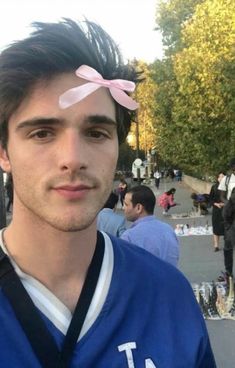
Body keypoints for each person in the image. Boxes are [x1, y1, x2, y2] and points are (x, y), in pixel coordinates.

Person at [0, 18, 216, 367]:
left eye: (96, 133)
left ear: (117, 145)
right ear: (4, 152)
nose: (72, 159)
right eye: (42, 133)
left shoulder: (168, 295)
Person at [121, 185, 179, 267]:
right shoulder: (168, 229)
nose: (123, 208)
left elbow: (125, 269)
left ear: (138, 208)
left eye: (126, 204)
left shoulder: (129, 237)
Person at [218, 158, 235, 281]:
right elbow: (222, 196)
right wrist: (229, 203)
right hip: (231, 215)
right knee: (228, 245)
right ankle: (228, 273)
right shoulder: (227, 179)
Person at [209, 172, 226, 251]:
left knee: (227, 227)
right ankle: (216, 246)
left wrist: (225, 204)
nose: (222, 178)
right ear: (217, 178)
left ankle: (227, 244)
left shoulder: (228, 187)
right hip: (216, 210)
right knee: (216, 228)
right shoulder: (214, 187)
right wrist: (216, 204)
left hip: (226, 210)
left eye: (223, 177)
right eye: (220, 177)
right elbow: (210, 199)